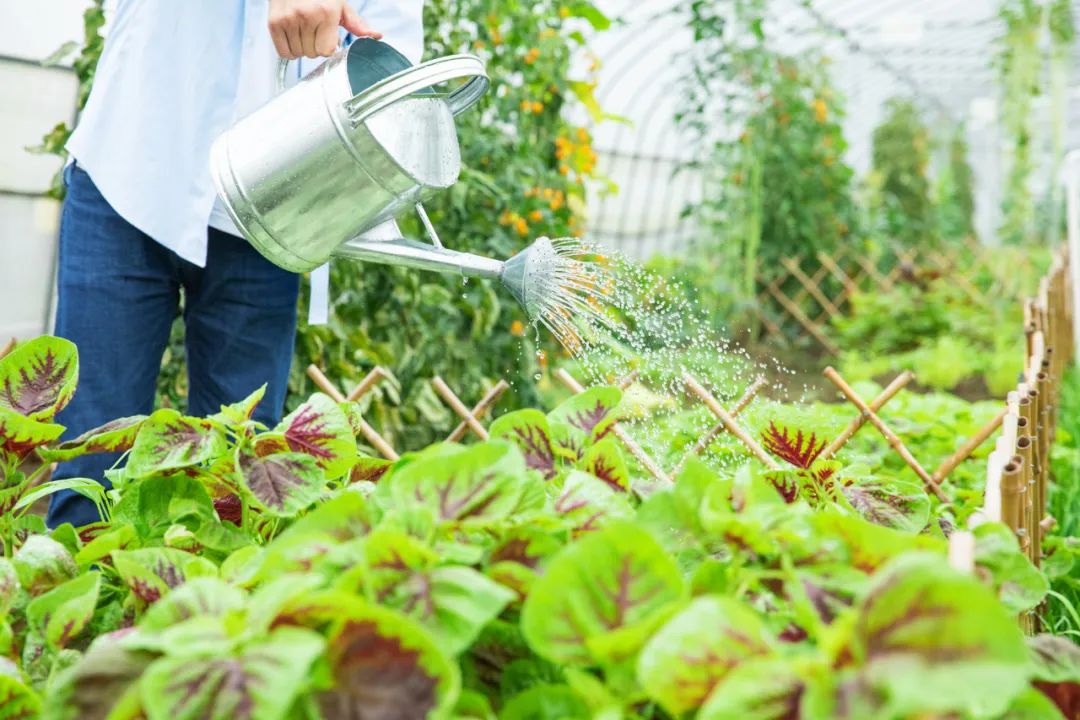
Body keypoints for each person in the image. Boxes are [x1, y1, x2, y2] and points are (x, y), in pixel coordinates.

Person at [47, 0, 423, 528]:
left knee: (237, 495)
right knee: (88, 470)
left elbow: (395, 65)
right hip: (131, 167)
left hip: (271, 209)